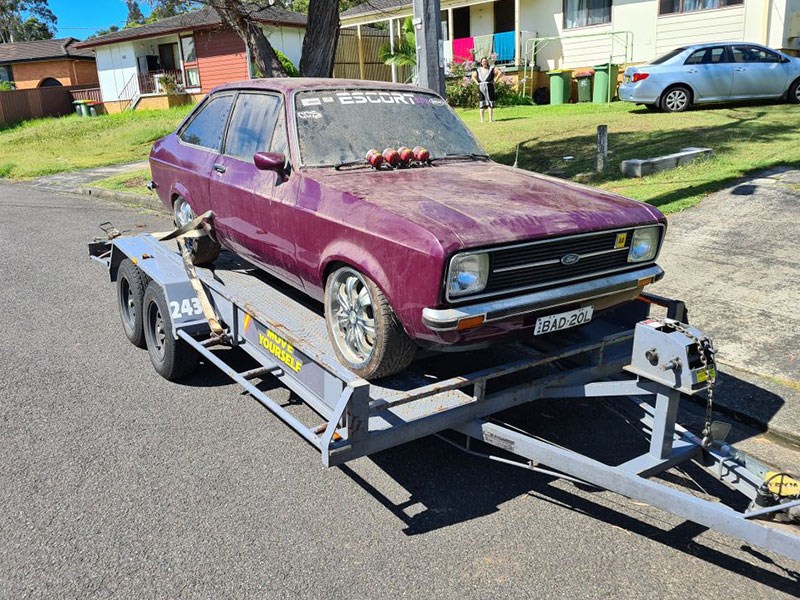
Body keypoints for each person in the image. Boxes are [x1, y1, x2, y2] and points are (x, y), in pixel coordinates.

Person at [471, 57, 503, 123]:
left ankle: (490, 119)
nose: (484, 63)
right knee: (482, 103)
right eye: (483, 62)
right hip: (481, 86)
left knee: (490, 103)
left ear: (487, 62)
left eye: (485, 61)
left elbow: (500, 73)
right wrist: (477, 83)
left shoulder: (491, 69)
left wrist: (495, 80)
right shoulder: (478, 70)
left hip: (489, 86)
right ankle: (482, 120)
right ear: (481, 63)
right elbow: (473, 76)